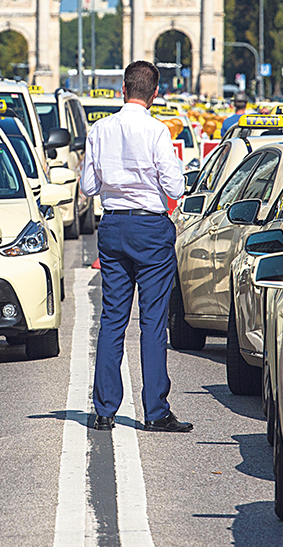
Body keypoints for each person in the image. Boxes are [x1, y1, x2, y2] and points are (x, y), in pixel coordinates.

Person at [80, 60, 191, 433]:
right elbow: (175, 189)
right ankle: (155, 411)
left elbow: (88, 187)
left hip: (112, 225)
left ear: (122, 90)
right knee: (153, 322)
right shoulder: (158, 131)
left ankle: (104, 409)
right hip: (150, 228)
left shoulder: (100, 130)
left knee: (112, 319)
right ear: (154, 94)